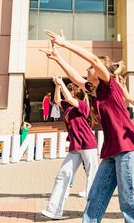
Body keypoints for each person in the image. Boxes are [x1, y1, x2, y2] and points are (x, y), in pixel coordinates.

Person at [43, 30, 134, 222]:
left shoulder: (110, 85)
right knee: (95, 198)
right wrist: (58, 58)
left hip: (128, 150)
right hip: (110, 152)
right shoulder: (96, 91)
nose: (88, 69)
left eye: (90, 68)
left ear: (99, 72)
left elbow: (95, 61)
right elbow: (75, 79)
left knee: (129, 202)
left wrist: (65, 44)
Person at [41, 75, 99, 220]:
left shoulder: (82, 106)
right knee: (63, 175)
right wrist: (58, 86)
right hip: (75, 146)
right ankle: (54, 210)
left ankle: (92, 212)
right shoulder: (67, 106)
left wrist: (62, 84)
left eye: (71, 90)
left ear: (76, 94)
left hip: (88, 145)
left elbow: (70, 99)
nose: (69, 92)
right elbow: (57, 100)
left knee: (92, 177)